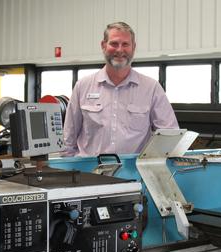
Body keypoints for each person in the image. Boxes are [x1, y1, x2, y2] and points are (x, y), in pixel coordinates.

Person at [62, 21, 179, 156]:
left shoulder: (151, 88)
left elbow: (170, 136)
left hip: (134, 174)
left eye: (125, 44)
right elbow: (67, 141)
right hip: (90, 173)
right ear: (103, 45)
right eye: (114, 43)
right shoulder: (82, 87)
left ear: (133, 47)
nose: (119, 50)